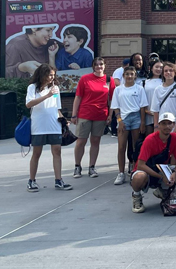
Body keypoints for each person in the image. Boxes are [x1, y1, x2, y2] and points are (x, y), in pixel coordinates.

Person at [129, 112, 176, 213]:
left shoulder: (175, 138)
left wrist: (175, 173)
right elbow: (141, 165)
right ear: (158, 125)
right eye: (163, 123)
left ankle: (165, 190)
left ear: (173, 124)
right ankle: (136, 196)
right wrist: (161, 177)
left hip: (163, 169)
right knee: (139, 177)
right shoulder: (150, 139)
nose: (167, 126)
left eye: (169, 123)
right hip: (147, 170)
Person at [25, 64, 71, 192]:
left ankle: (58, 180)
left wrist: (63, 119)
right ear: (43, 74)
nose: (52, 77)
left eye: (53, 75)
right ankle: (32, 180)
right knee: (36, 153)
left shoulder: (55, 88)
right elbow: (29, 104)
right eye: (50, 75)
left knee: (57, 151)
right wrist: (46, 95)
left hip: (53, 124)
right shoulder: (32, 88)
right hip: (39, 125)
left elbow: (57, 106)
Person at [70, 57, 115, 179]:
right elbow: (78, 97)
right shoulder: (85, 79)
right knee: (81, 141)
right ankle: (77, 166)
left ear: (105, 66)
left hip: (100, 115)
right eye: (96, 65)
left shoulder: (109, 80)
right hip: (85, 114)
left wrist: (110, 115)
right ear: (93, 66)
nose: (99, 67)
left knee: (95, 142)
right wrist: (74, 115)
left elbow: (111, 100)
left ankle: (92, 167)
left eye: (101, 64)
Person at [110, 65, 148, 186]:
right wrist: (119, 120)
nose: (129, 76)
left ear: (135, 76)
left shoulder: (139, 88)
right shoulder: (118, 90)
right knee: (121, 146)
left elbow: (142, 107)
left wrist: (142, 122)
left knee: (136, 146)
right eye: (127, 74)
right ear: (123, 76)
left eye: (132, 74)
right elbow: (115, 107)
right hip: (124, 118)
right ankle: (121, 173)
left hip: (136, 117)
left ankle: (135, 170)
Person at [150, 62, 176, 131]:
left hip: (175, 124)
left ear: (175, 73)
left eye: (171, 70)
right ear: (162, 74)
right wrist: (156, 126)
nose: (168, 72)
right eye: (166, 71)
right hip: (162, 125)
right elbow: (155, 110)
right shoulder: (157, 89)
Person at [141, 60, 164, 137]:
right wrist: (146, 110)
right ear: (151, 68)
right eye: (156, 67)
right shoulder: (145, 82)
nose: (159, 69)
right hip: (148, 114)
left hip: (161, 114)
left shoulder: (165, 82)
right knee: (149, 138)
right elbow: (142, 99)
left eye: (161, 67)